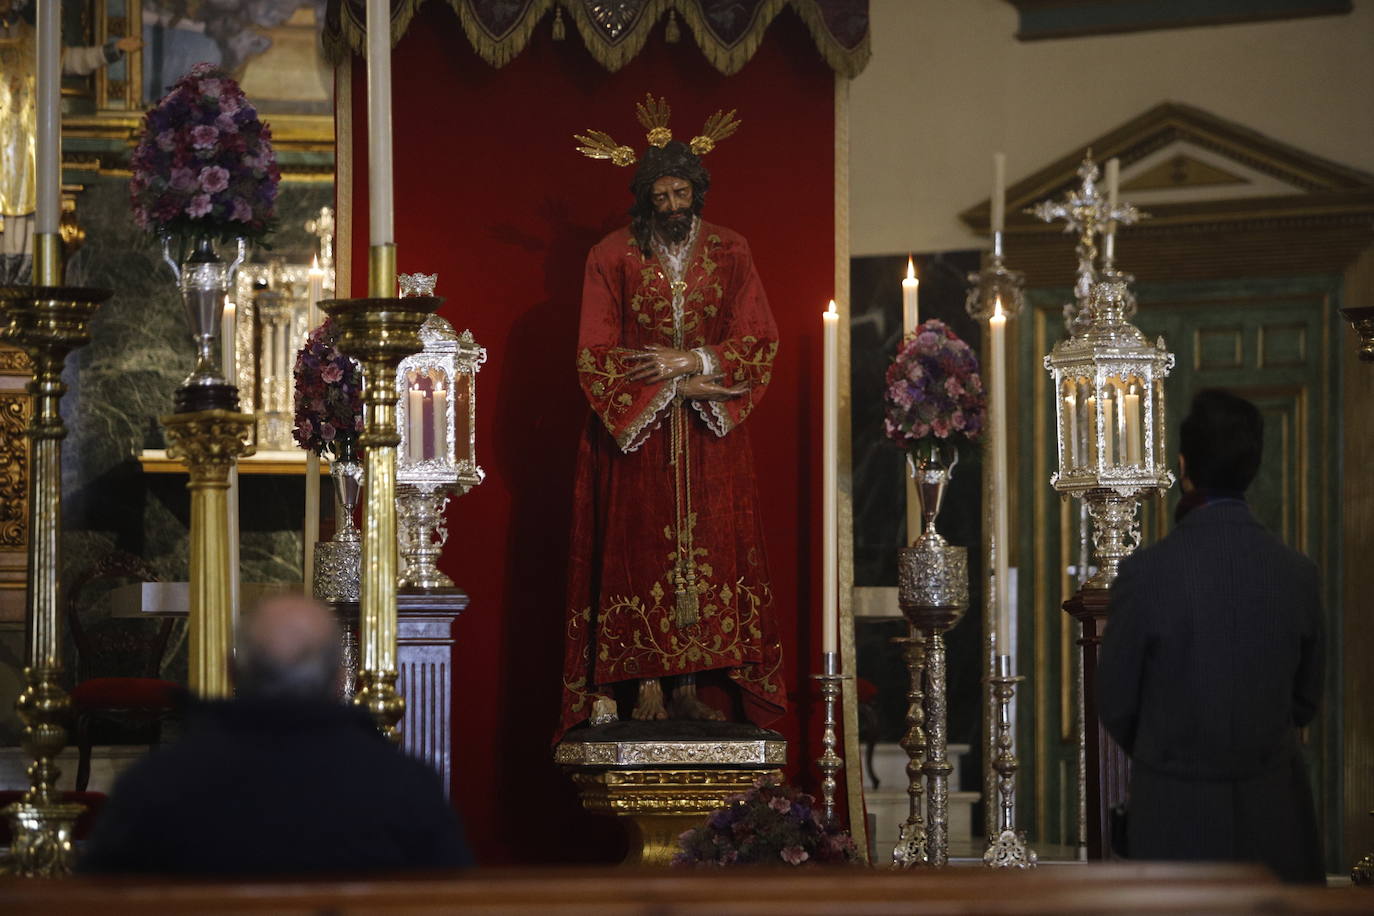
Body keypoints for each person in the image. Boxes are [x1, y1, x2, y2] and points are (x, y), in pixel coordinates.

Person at [557, 98, 785, 738]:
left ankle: (690, 685)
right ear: (644, 197)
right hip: (639, 435)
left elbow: (759, 336)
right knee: (640, 552)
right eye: (660, 195)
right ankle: (645, 684)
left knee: (709, 551)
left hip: (711, 434)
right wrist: (666, 390)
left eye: (682, 192)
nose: (673, 204)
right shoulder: (612, 254)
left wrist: (694, 361)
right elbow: (595, 350)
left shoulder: (732, 250)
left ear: (698, 192)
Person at [1098, 389, 1324, 882]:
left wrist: (1168, 750)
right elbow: (1306, 700)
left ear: (1184, 466)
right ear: (1253, 466)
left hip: (1173, 821)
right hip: (1275, 819)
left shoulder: (1145, 573)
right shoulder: (1297, 574)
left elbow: (1114, 699)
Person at [79, 595, 471, 874]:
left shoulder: (154, 784)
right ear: (339, 678)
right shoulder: (404, 785)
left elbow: (99, 894)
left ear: (232, 671)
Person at [1, 0, 141, 282]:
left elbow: (74, 61)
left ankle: (21, 281)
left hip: (29, 145)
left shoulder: (36, 38)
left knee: (28, 211)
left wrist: (113, 50)